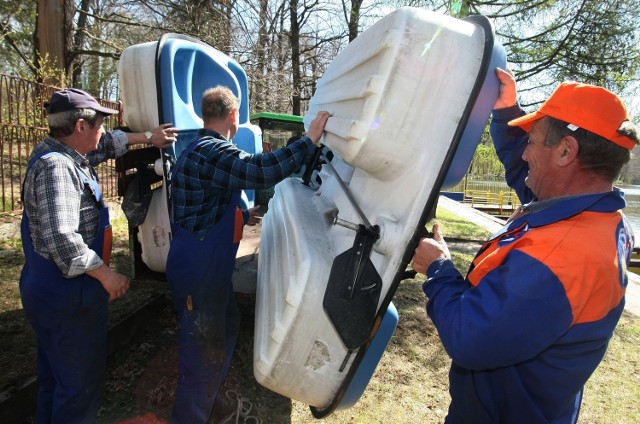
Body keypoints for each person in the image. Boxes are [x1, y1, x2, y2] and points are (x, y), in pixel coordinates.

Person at [411, 68, 639, 423]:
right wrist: (506, 111)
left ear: (566, 151)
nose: (525, 154)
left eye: (532, 141)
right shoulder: (598, 214)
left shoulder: (562, 257)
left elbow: (469, 336)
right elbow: (532, 173)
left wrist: (439, 269)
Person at [166, 85, 330, 423]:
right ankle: (193, 414)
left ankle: (209, 403)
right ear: (234, 116)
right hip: (199, 270)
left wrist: (244, 215)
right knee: (201, 349)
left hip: (203, 264)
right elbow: (260, 170)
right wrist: (308, 140)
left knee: (226, 326)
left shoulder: (196, 148)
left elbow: (202, 203)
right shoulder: (213, 150)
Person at [20, 87, 178, 423]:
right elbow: (62, 238)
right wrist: (106, 274)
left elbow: (109, 144)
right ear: (80, 127)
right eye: (98, 124)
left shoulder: (69, 153)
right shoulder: (56, 169)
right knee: (78, 388)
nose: (103, 131)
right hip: (65, 295)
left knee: (55, 378)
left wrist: (150, 136)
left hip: (53, 291)